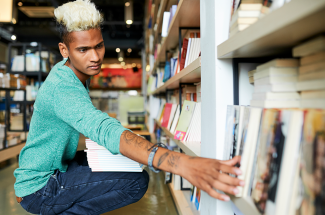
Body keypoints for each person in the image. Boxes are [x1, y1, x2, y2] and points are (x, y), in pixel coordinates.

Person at [13, 0, 244, 214]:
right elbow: (102, 128)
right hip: (41, 185)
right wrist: (183, 164)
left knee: (131, 162)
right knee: (136, 182)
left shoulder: (76, 72)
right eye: (83, 50)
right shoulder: (62, 85)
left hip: (53, 169)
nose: (95, 57)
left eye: (99, 46)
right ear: (65, 51)